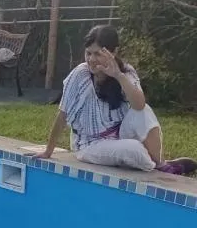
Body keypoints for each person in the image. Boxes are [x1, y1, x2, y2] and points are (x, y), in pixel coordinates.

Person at [36, 25, 197, 175]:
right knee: (134, 150)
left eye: (98, 53)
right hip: (90, 145)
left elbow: (139, 106)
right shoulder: (80, 74)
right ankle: (153, 165)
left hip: (119, 133)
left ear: (113, 52)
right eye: (88, 53)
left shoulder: (126, 72)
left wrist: (118, 76)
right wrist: (48, 151)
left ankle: (162, 165)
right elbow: (62, 114)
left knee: (145, 111)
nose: (91, 59)